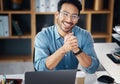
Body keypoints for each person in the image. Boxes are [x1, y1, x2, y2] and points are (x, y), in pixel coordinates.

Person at [34, 0, 99, 73]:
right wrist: (63, 49)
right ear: (57, 15)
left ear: (77, 19)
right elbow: (40, 69)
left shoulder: (85, 35)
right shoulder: (42, 36)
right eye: (65, 14)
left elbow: (93, 68)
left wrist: (77, 50)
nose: (69, 20)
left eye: (74, 16)